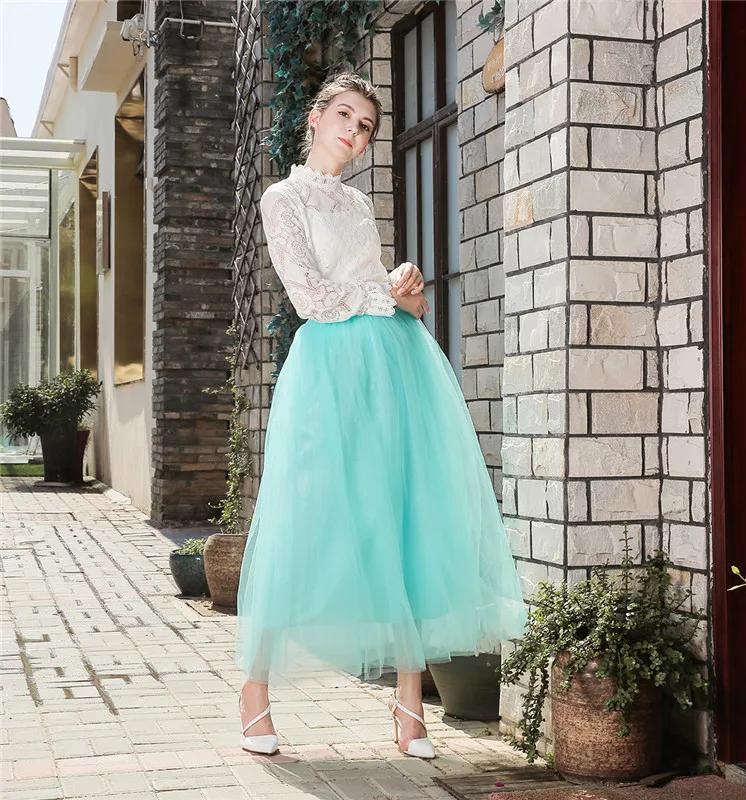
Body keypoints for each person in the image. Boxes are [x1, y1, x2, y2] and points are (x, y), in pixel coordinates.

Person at [235, 72, 526, 761]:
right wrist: (382, 291)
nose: (354, 131)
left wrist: (408, 289)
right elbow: (310, 298)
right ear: (315, 117)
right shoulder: (283, 198)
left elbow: (382, 295)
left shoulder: (360, 202)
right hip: (328, 374)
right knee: (302, 518)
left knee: (404, 516)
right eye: (345, 115)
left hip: (394, 366)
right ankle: (253, 692)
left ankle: (409, 707)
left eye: (365, 125)